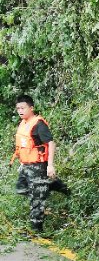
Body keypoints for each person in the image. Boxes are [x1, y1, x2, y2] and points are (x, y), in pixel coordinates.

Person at [10, 95, 57, 232]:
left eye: (23, 108)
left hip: (38, 166)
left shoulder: (38, 124)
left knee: (36, 199)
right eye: (18, 108)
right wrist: (22, 162)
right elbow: (25, 146)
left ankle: (37, 231)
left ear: (31, 108)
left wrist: (50, 165)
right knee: (20, 189)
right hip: (26, 165)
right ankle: (48, 187)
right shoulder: (23, 123)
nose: (20, 111)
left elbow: (51, 143)